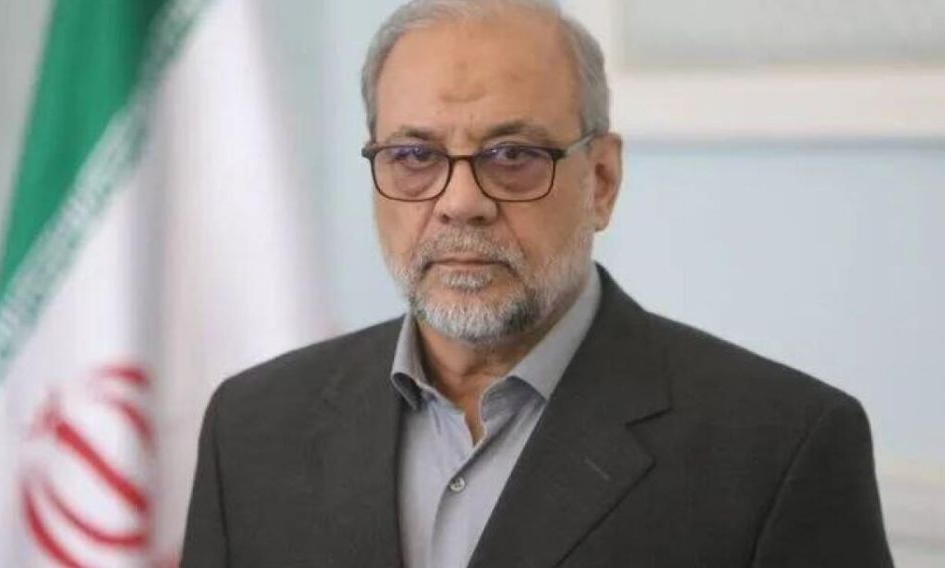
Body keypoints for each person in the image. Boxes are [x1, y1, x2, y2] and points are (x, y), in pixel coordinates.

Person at [181, 1, 893, 566]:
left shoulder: (779, 447)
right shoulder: (251, 427)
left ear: (602, 181)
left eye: (512, 155)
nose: (461, 202)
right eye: (414, 156)